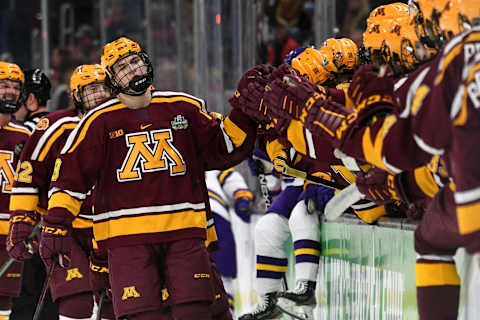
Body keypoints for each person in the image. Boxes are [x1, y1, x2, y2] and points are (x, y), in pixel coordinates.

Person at [39, 37, 257, 320]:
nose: (133, 71)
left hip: (184, 233)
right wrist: (56, 224)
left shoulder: (184, 106)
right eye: (123, 68)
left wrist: (244, 112)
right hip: (126, 240)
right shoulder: (97, 121)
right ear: (112, 80)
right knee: (143, 315)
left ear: (147, 63)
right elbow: (70, 177)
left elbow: (222, 148)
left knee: (195, 312)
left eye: (135, 62)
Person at [8, 64, 114, 320]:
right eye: (92, 90)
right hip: (64, 229)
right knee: (76, 302)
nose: (99, 95)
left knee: (116, 303)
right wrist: (22, 218)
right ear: (77, 95)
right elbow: (28, 172)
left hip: (110, 229)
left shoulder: (120, 123)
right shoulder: (56, 125)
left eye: (104, 88)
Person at [0, 61, 31, 319]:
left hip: (9, 234)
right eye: (3, 85)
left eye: (14, 87)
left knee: (4, 300)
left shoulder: (25, 137)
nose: (9, 91)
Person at [205, 167, 255, 316]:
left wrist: (242, 197)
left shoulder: (209, 161)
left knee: (223, 272)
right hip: (181, 221)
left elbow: (231, 177)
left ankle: (227, 314)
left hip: (217, 218)